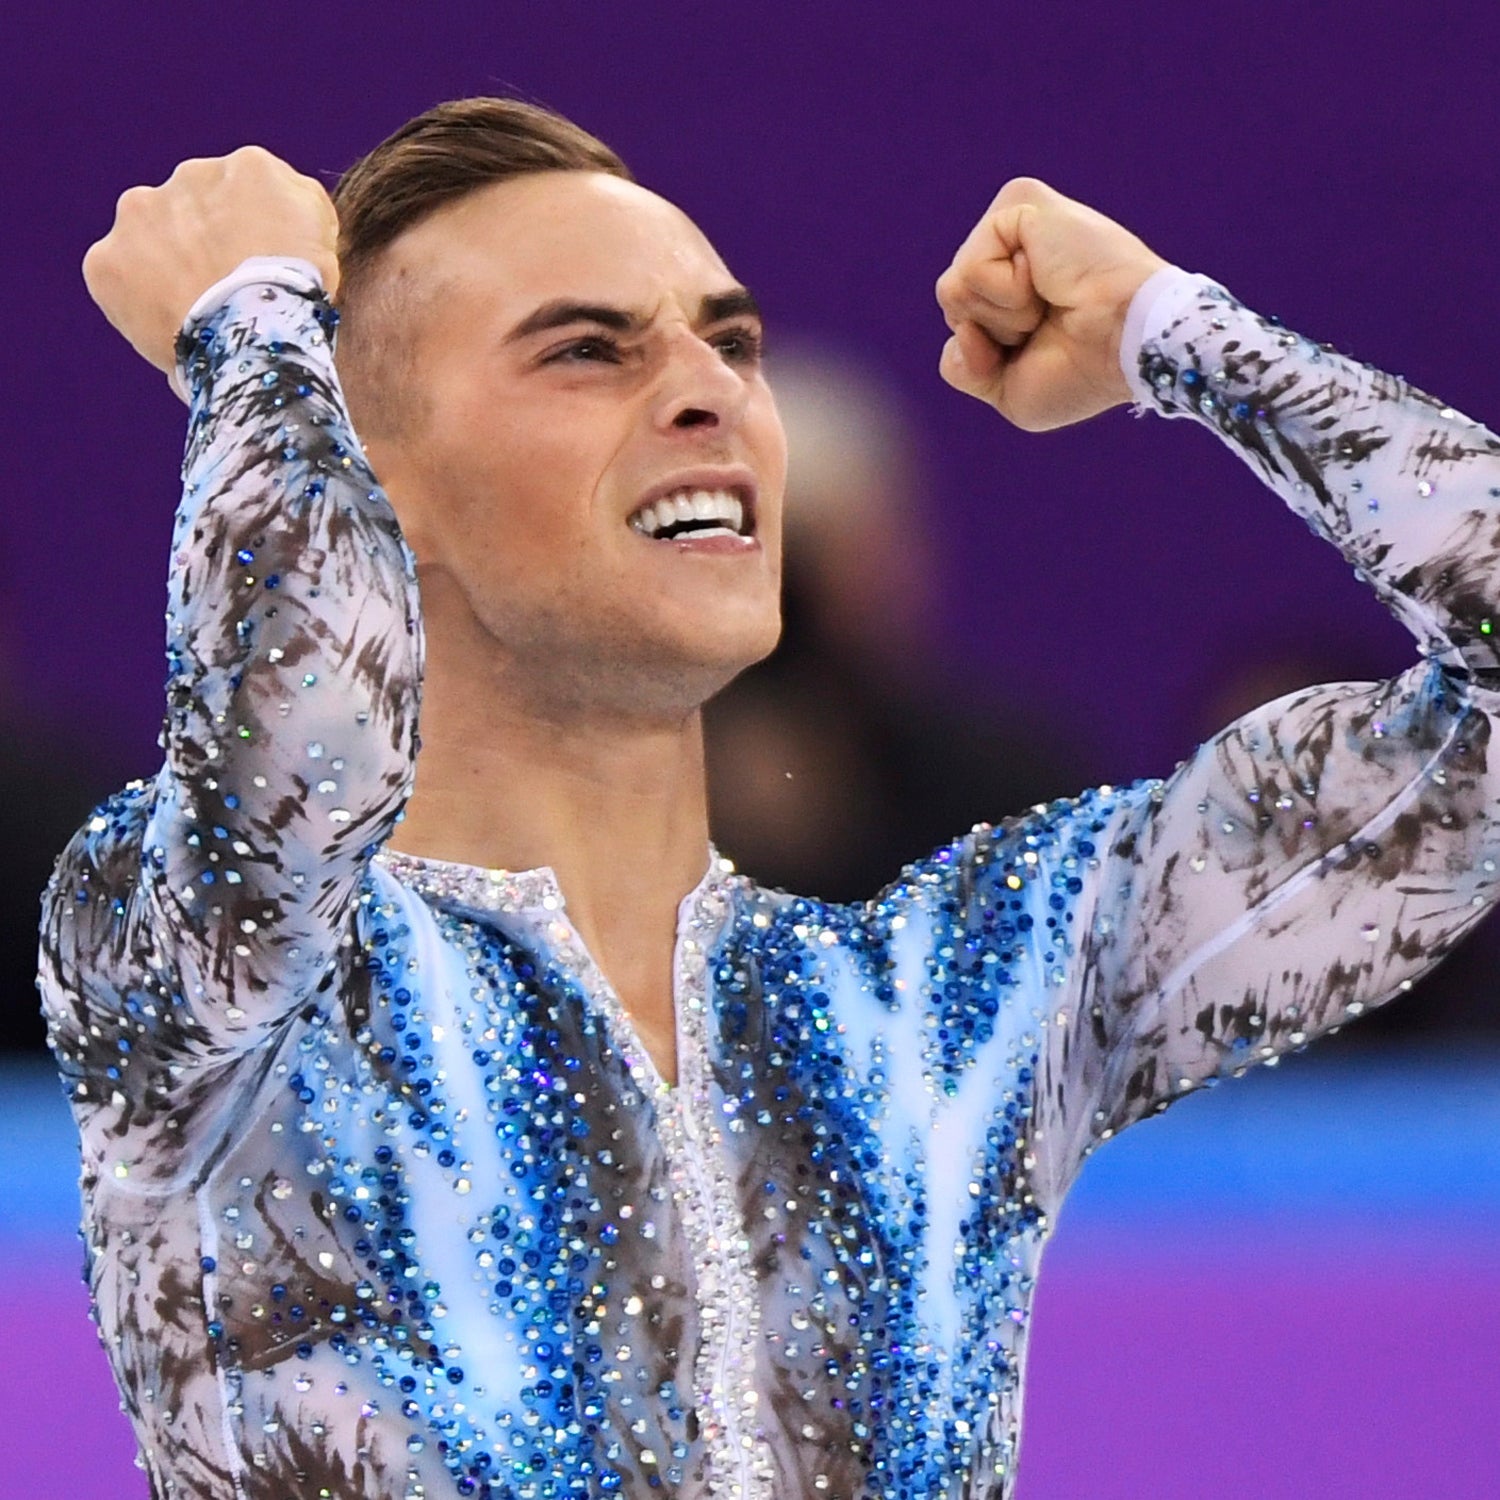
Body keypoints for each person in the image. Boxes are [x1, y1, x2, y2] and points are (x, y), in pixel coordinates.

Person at [44, 96, 1500, 1499]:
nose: (711, 390)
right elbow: (310, 754)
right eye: (585, 352)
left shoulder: (959, 1006)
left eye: (727, 341)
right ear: (371, 483)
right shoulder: (201, 968)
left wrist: (1179, 336)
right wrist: (253, 325)